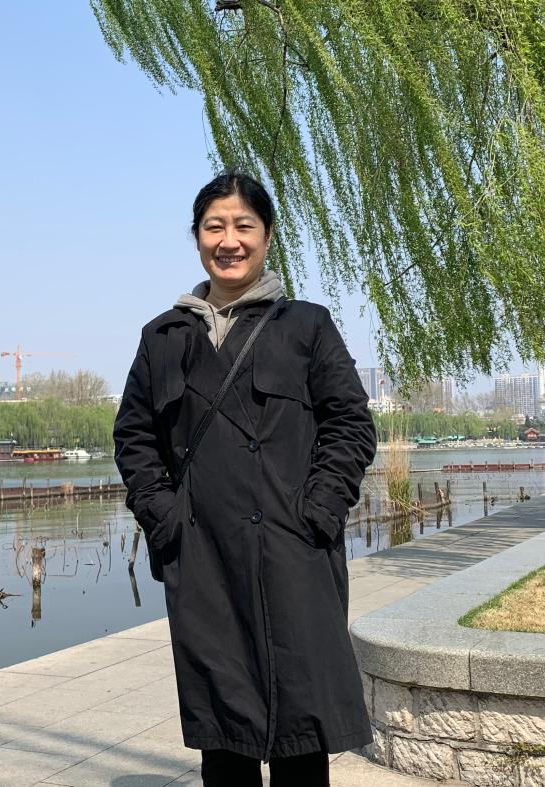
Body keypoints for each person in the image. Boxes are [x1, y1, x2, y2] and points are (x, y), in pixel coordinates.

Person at [113, 171, 376, 787]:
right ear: (197, 237)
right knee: (223, 738)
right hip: (203, 556)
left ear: (267, 236)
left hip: (293, 551)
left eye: (243, 226)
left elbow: (350, 424)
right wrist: (164, 518)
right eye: (214, 227)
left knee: (300, 736)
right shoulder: (162, 336)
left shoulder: (306, 325)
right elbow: (134, 437)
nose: (228, 241)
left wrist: (319, 510)